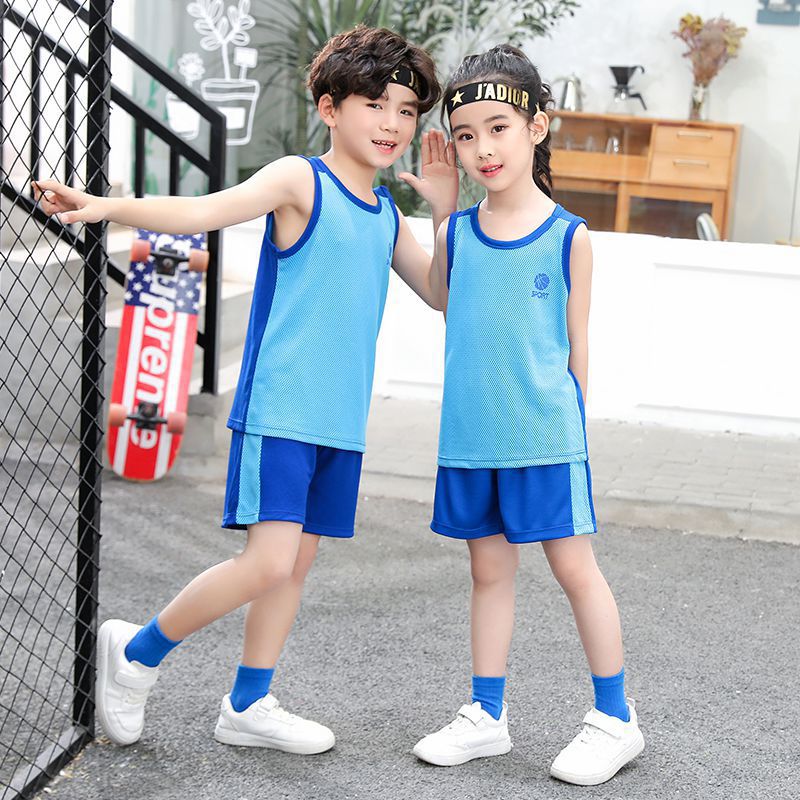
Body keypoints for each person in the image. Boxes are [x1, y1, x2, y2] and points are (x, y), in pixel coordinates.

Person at [34, 25, 458, 753]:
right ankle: (136, 653)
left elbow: (440, 293)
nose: (392, 123)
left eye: (406, 110)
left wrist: (446, 208)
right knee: (267, 561)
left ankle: (249, 702)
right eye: (375, 104)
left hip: (340, 421)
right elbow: (205, 212)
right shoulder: (300, 180)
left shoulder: (387, 214)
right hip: (283, 410)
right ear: (330, 108)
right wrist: (106, 208)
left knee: (294, 565)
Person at [408, 45, 644, 785]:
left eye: (498, 128)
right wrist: (441, 210)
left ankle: (615, 719)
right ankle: (487, 715)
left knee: (575, 570)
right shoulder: (459, 233)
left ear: (537, 127)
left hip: (543, 438)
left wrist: (573, 437)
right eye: (466, 134)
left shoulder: (570, 236)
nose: (482, 147)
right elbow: (443, 299)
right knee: (488, 573)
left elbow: (577, 349)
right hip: (471, 438)